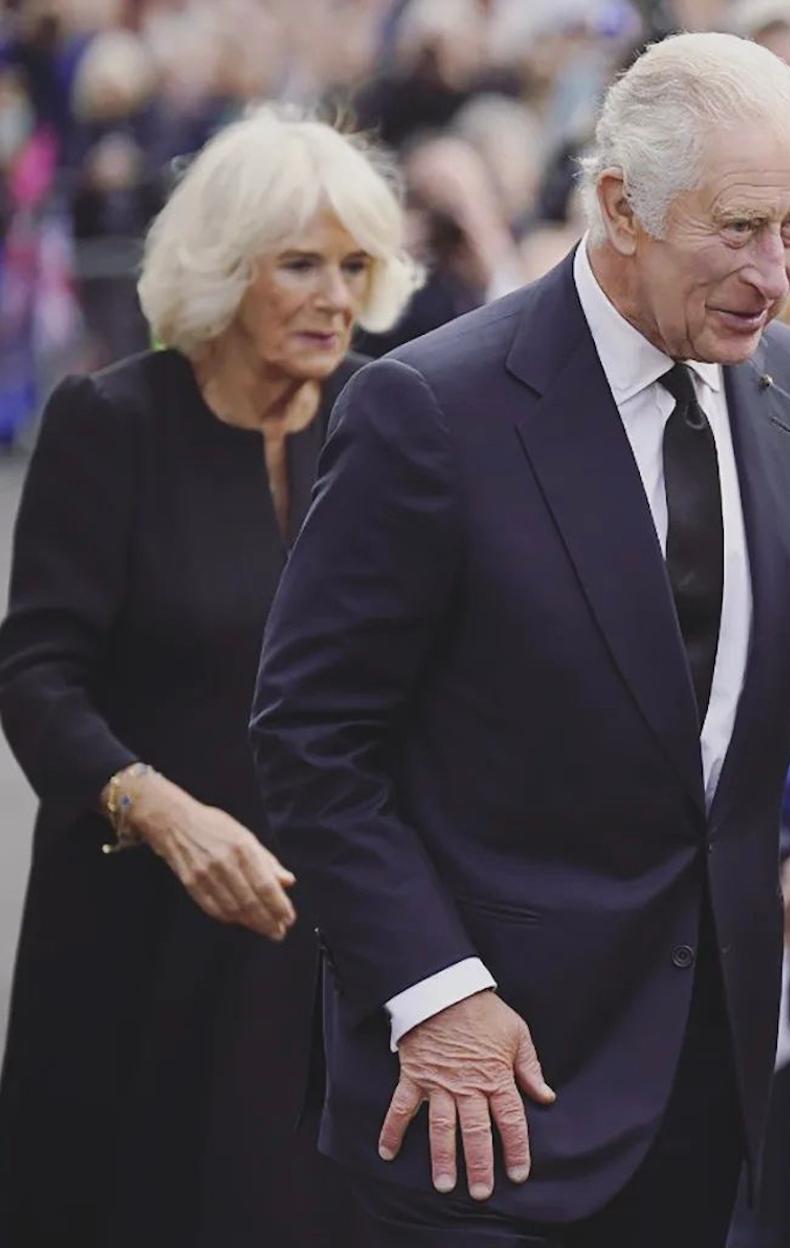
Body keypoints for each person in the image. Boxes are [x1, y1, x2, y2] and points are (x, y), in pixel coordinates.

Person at [250, 31, 790, 1248]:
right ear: (620, 207)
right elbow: (312, 737)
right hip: (482, 1084)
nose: (775, 273)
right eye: (740, 227)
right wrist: (436, 996)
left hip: (709, 1080)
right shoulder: (435, 407)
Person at [0, 108, 416, 1247]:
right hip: (139, 921)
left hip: (323, 926)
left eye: (354, 266)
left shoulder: (386, 419)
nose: (337, 296)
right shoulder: (110, 422)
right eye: (301, 265)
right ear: (228, 268)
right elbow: (35, 672)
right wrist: (161, 812)